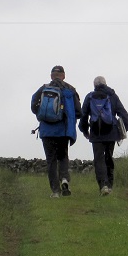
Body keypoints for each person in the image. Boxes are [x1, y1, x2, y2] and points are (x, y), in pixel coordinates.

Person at [31, 65, 82, 198]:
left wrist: (42, 115)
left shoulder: (43, 88)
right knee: (63, 156)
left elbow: (33, 105)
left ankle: (55, 191)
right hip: (63, 131)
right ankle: (64, 179)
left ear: (51, 76)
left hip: (46, 131)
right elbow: (79, 111)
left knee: (51, 161)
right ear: (64, 76)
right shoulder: (70, 90)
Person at [79, 76, 128, 196]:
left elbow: (83, 115)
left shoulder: (90, 96)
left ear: (94, 85)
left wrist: (85, 130)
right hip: (111, 132)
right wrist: (124, 129)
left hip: (96, 133)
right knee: (108, 157)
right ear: (105, 84)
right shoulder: (112, 96)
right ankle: (110, 185)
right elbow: (123, 113)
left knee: (98, 159)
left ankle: (103, 185)